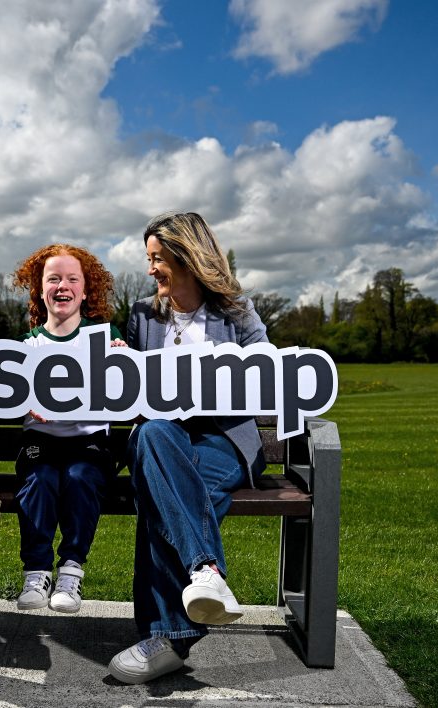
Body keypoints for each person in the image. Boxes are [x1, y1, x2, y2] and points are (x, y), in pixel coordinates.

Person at [107, 211, 269, 685]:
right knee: (154, 437)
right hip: (165, 437)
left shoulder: (236, 310)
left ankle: (167, 639)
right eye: (149, 259)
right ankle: (206, 572)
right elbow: (130, 402)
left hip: (222, 438)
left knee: (164, 492)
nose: (151, 268)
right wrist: (120, 366)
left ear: (186, 257)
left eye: (158, 258)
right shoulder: (141, 314)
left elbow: (265, 373)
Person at [9, 244, 126, 614]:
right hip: (40, 443)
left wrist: (125, 360)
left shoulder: (106, 338)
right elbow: (5, 399)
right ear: (39, 289)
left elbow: (133, 392)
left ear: (86, 290)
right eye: (53, 278)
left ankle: (71, 572)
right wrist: (21, 402)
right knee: (40, 481)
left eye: (72, 279)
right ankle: (37, 571)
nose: (63, 286)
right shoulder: (27, 344)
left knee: (79, 477)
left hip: (89, 444)